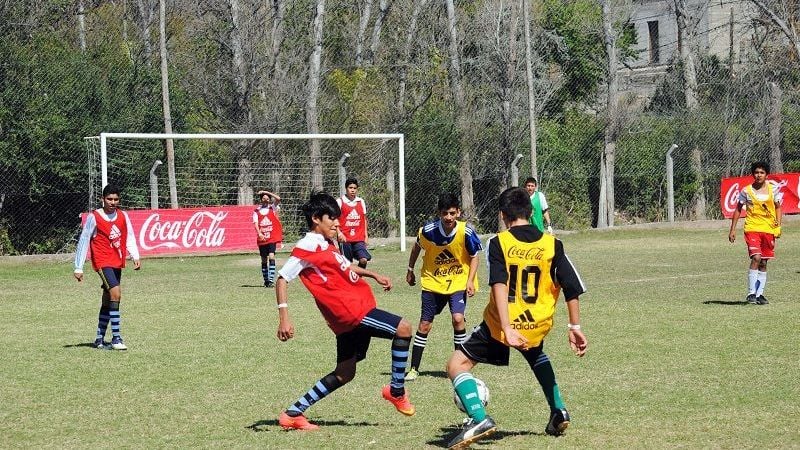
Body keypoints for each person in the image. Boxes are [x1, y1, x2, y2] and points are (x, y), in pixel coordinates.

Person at [444, 187, 588, 449]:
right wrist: (574, 326)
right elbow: (572, 286)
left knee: (456, 365)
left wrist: (508, 327)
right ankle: (559, 411)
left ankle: (478, 418)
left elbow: (499, 282)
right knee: (535, 353)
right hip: (536, 324)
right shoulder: (552, 244)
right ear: (531, 212)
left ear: (502, 215)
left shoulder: (499, 242)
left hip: (502, 324)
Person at [275, 192, 415, 431]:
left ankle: (292, 413)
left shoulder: (326, 244)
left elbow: (344, 268)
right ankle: (396, 390)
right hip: (351, 312)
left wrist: (373, 274)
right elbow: (282, 278)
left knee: (345, 372)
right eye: (332, 218)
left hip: (349, 315)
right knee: (404, 328)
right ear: (317, 219)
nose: (337, 223)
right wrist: (284, 318)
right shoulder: (306, 246)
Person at [404, 193, 482, 381]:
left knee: (457, 318)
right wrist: (410, 268)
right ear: (439, 213)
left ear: (458, 213)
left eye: (452, 213)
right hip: (432, 282)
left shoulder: (467, 232)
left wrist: (470, 280)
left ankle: (459, 367)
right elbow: (416, 247)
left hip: (458, 282)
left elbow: (474, 256)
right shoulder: (428, 231)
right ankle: (414, 368)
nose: (449, 217)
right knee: (425, 324)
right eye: (445, 213)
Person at [73, 183, 141, 351]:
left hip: (117, 260)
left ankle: (99, 338)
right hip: (102, 262)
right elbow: (84, 240)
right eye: (109, 199)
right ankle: (116, 338)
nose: (112, 202)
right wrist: (78, 267)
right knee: (116, 293)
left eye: (116, 199)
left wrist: (135, 255)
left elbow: (129, 236)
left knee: (108, 299)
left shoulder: (123, 216)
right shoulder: (94, 217)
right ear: (102, 199)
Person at [728, 161, 783, 305]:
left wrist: (778, 225)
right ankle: (751, 292)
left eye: (762, 172)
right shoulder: (746, 191)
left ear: (766, 174)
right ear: (753, 174)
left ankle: (760, 295)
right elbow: (738, 209)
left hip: (768, 229)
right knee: (756, 257)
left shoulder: (773, 189)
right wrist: (733, 229)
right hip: (752, 228)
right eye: (756, 172)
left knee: (764, 262)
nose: (759, 175)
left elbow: (778, 207)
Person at [336, 177, 371, 269]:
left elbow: (364, 220)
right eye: (350, 188)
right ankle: (349, 281)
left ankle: (357, 279)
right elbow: (334, 219)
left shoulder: (360, 201)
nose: (353, 190)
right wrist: (339, 233)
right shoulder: (340, 202)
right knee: (348, 265)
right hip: (345, 239)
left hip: (359, 238)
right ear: (346, 188)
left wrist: (366, 236)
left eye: (355, 188)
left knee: (363, 260)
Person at [253, 190, 283, 287]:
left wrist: (266, 192)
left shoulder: (272, 208)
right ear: (261, 200)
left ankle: (270, 280)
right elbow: (256, 224)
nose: (265, 200)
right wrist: (259, 233)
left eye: (267, 198)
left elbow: (278, 198)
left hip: (271, 237)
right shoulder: (256, 211)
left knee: (271, 256)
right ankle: (266, 280)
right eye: (263, 198)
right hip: (262, 238)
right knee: (263, 259)